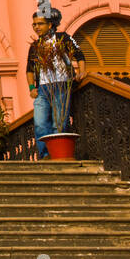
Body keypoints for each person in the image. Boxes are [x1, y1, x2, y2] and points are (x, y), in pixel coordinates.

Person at [27, 9, 86, 159]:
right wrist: (32, 87)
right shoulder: (34, 46)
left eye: (40, 24)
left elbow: (78, 54)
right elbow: (30, 69)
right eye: (34, 24)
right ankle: (45, 155)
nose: (36, 27)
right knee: (40, 123)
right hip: (43, 88)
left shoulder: (63, 38)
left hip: (61, 85)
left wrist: (81, 72)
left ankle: (57, 155)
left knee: (59, 122)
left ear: (50, 24)